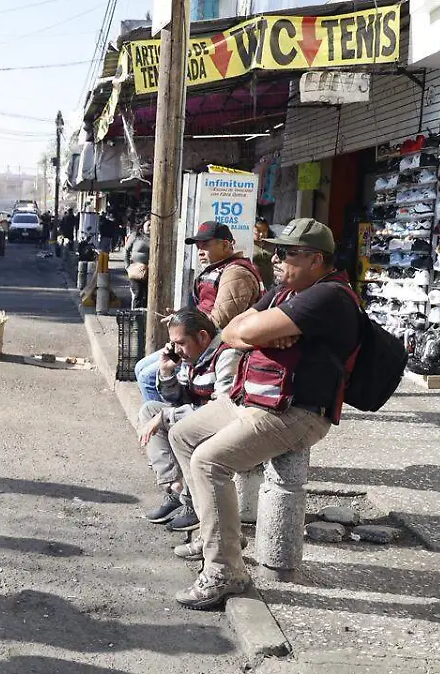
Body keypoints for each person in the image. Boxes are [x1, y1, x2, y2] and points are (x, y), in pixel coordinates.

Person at [168, 218, 360, 610]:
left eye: (286, 253)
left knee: (208, 462)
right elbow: (231, 331)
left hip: (295, 412)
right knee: (183, 434)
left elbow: (245, 333)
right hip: (253, 400)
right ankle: (224, 536)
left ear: (315, 260)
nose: (275, 258)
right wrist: (260, 329)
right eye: (276, 250)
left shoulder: (328, 297)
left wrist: (257, 331)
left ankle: (225, 572)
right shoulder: (283, 292)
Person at [136, 307, 240, 534]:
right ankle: (175, 488)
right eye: (174, 344)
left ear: (202, 337)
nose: (177, 350)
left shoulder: (226, 355)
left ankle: (193, 503)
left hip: (222, 423)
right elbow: (178, 399)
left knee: (175, 425)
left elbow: (222, 409)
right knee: (149, 411)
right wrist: (166, 373)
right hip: (198, 414)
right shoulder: (190, 357)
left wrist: (167, 416)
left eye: (181, 343)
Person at [134, 221, 263, 403]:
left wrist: (187, 323)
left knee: (148, 377)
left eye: (206, 245)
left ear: (226, 245)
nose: (200, 251)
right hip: (201, 340)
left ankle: (168, 423)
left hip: (214, 348)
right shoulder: (217, 269)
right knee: (140, 367)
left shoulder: (236, 273)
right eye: (198, 246)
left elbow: (221, 321)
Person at [124, 221, 151, 309]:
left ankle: (145, 318)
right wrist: (127, 266)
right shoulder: (136, 236)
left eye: (152, 225)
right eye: (148, 225)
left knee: (148, 296)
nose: (150, 227)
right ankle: (135, 317)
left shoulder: (155, 237)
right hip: (136, 270)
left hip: (150, 271)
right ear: (143, 225)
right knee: (138, 293)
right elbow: (126, 251)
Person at [251, 217, 275, 289]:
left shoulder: (272, 244)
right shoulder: (248, 245)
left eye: (264, 230)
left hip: (270, 283)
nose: (261, 234)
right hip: (254, 283)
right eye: (258, 231)